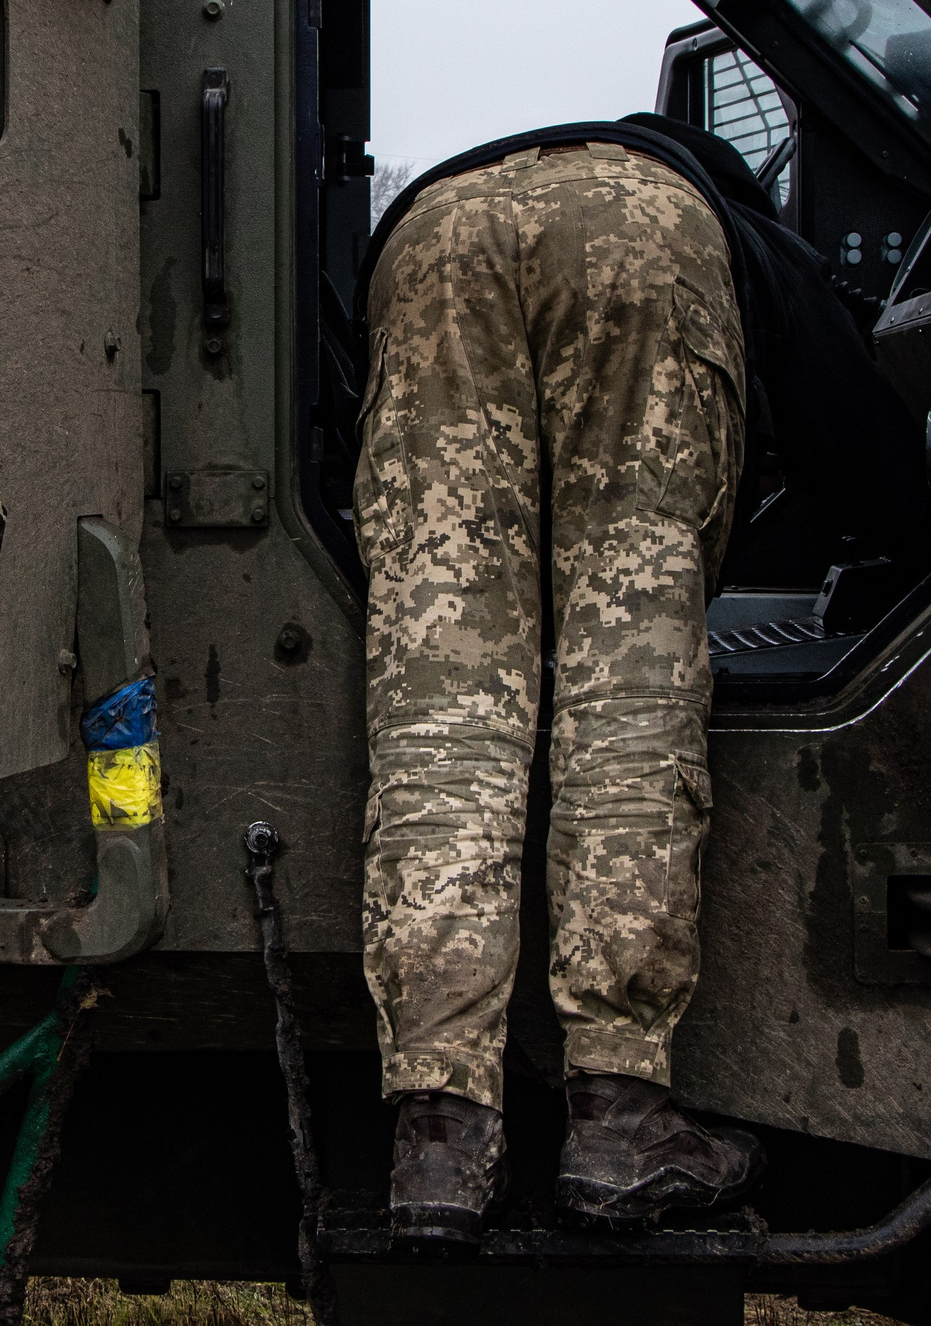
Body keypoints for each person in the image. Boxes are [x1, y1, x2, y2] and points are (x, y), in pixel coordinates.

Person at [356, 125, 769, 1243]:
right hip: (643, 241)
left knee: (441, 722)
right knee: (628, 695)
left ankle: (437, 1144)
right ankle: (622, 1123)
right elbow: (847, 421)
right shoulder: (723, 210)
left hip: (429, 237)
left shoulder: (467, 190)